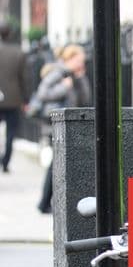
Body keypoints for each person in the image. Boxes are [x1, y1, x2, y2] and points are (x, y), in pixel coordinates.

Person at [34, 44, 91, 213]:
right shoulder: (57, 72)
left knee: (58, 164)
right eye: (79, 60)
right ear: (70, 59)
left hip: (68, 127)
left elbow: (86, 99)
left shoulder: (74, 75)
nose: (81, 64)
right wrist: (63, 87)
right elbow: (42, 93)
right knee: (56, 165)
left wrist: (80, 78)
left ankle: (48, 202)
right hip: (55, 126)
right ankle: (44, 202)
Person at [0, 22, 29, 173]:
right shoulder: (19, 52)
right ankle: (5, 162)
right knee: (11, 132)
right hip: (13, 98)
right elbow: (23, 78)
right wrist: (26, 99)